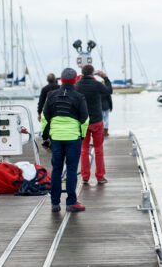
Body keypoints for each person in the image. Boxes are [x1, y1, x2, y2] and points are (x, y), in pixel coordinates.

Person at [41, 68, 89, 213]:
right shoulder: (79, 97)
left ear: (60, 79)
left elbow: (45, 118)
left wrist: (45, 136)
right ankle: (71, 203)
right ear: (75, 80)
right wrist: (82, 135)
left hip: (56, 138)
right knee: (72, 170)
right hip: (73, 137)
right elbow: (85, 120)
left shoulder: (51, 95)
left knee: (56, 170)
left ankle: (55, 204)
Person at [75, 64, 112, 185]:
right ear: (93, 73)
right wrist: (105, 77)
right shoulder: (97, 84)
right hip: (96, 121)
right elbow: (109, 91)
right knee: (98, 149)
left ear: (82, 73)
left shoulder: (77, 85)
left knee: (84, 150)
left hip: (83, 122)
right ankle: (100, 177)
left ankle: (85, 176)